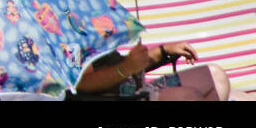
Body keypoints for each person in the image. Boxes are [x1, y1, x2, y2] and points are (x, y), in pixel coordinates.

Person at [76, 42, 229, 101]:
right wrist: (126, 67)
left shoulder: (93, 23)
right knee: (187, 97)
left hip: (138, 88)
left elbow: (124, 64)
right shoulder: (72, 34)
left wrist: (164, 50)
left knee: (216, 76)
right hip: (122, 98)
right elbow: (81, 84)